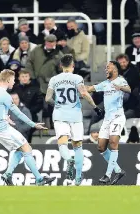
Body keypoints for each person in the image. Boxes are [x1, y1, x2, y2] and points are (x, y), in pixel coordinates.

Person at [0, 69, 55, 186]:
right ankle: (39, 179)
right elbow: (19, 113)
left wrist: (5, 116)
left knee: (20, 149)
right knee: (27, 148)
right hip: (2, 128)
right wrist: (34, 124)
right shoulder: (6, 95)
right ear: (8, 80)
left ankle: (7, 175)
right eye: (13, 80)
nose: (14, 82)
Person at [45, 55, 103, 186]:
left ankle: (68, 159)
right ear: (73, 66)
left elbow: (48, 98)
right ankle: (78, 178)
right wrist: (95, 107)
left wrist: (57, 105)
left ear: (61, 66)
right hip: (75, 115)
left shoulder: (54, 79)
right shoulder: (77, 78)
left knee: (62, 143)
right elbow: (84, 93)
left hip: (59, 114)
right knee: (77, 146)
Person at [87, 61, 131, 185]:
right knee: (101, 146)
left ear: (115, 69)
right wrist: (80, 87)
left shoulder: (121, 80)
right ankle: (118, 170)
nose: (106, 69)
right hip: (107, 118)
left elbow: (129, 89)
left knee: (113, 142)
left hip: (118, 117)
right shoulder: (105, 84)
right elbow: (91, 88)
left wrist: (120, 88)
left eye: (108, 67)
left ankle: (108, 175)